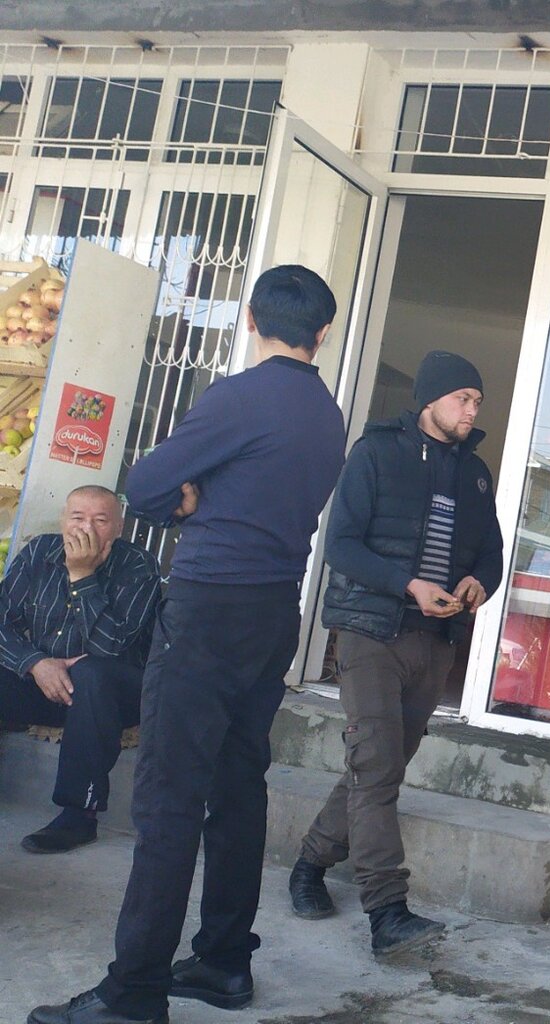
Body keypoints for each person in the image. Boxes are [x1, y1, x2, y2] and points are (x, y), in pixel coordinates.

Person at [29, 265, 346, 1024]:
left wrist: (187, 500)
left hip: (208, 609)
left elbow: (142, 488)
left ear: (250, 319)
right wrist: (201, 494)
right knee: (238, 785)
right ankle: (224, 960)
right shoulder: (327, 413)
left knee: (169, 797)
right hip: (275, 610)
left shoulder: (239, 397)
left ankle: (134, 991)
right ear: (323, 333)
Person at [288, 350, 503, 960]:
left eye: (477, 401)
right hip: (371, 631)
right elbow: (341, 545)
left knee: (380, 764)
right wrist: (408, 584)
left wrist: (478, 584)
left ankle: (310, 864)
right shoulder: (377, 453)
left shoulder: (475, 473)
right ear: (431, 399)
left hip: (435, 641)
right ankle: (386, 912)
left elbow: (491, 552)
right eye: (463, 398)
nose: (472, 410)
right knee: (377, 763)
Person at [0, 485, 160, 853]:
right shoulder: (39, 552)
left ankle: (79, 816)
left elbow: (109, 649)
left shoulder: (138, 566)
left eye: (100, 520)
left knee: (91, 672)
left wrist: (81, 576)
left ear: (118, 528)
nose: (86, 528)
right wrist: (35, 663)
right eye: (77, 517)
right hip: (47, 683)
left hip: (112, 697)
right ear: (63, 521)